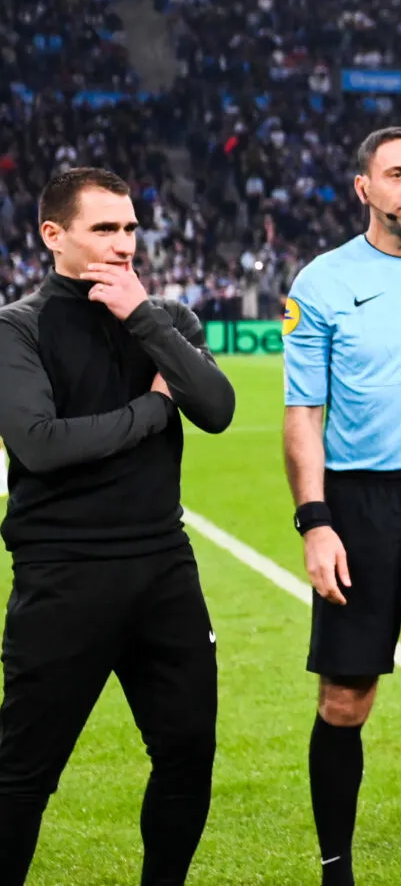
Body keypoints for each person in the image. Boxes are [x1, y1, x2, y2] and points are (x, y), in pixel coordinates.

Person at [0, 167, 236, 885]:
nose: (124, 241)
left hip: (164, 566)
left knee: (189, 748)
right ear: (53, 235)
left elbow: (218, 407)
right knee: (25, 771)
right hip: (64, 572)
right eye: (104, 228)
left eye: (131, 226)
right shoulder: (20, 325)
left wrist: (142, 317)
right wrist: (154, 411)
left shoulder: (166, 318)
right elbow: (41, 443)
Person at [281, 127, 401, 886]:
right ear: (365, 187)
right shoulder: (320, 282)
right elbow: (303, 417)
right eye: (397, 174)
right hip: (359, 507)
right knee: (345, 699)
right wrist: (316, 521)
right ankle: (336, 872)